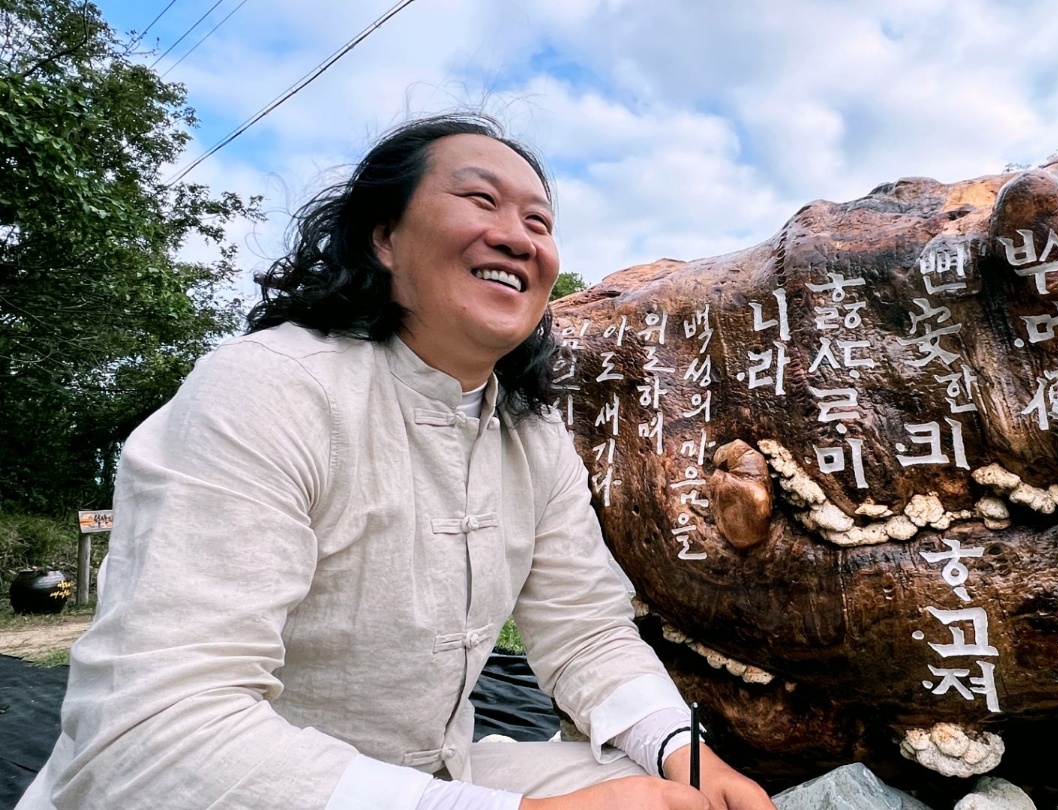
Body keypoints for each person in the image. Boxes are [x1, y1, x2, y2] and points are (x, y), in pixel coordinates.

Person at [18, 115, 776, 810]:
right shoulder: (266, 388)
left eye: (538, 222)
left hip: (436, 780)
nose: (518, 237)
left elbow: (587, 634)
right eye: (480, 200)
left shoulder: (533, 437)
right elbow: (155, 732)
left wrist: (689, 757)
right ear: (383, 237)